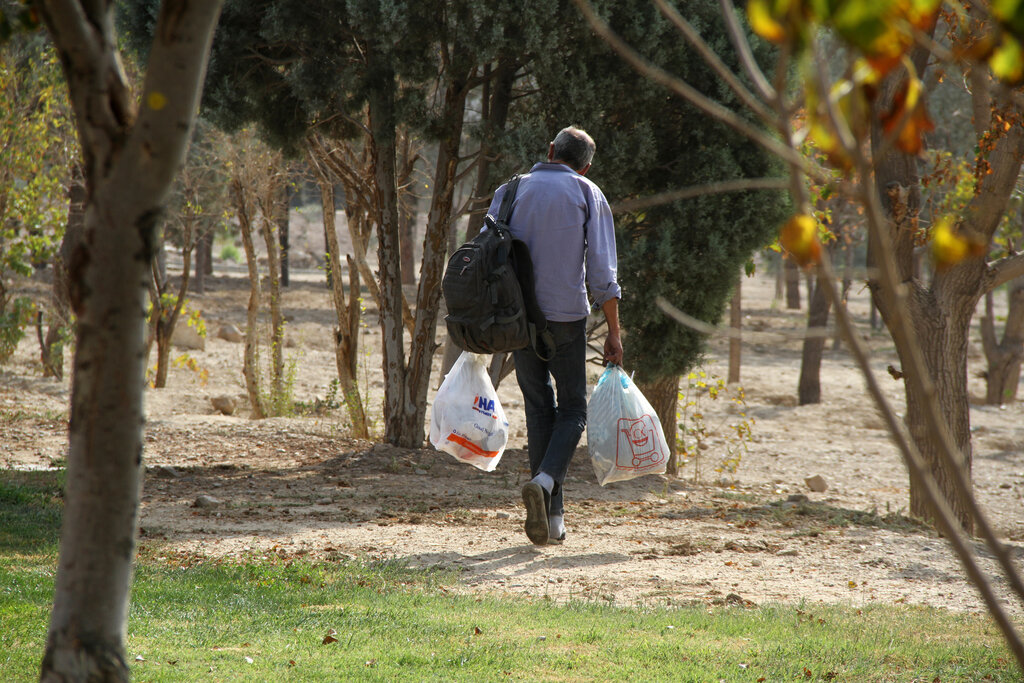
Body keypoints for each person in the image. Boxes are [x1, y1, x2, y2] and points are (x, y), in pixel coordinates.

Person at [486, 126, 623, 546]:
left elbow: (487, 254)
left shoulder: (509, 190)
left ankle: (553, 520)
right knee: (574, 411)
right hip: (565, 319)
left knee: (539, 406)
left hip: (517, 318)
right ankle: (545, 483)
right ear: (585, 166)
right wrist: (614, 332)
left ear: (549, 150)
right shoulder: (587, 193)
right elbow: (602, 273)